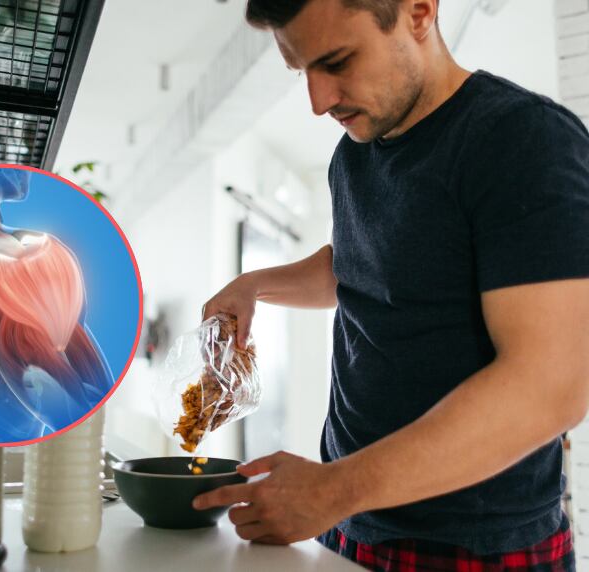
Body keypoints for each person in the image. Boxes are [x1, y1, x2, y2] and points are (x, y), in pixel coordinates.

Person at [191, 1, 589, 570]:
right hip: (352, 526)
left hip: (477, 548)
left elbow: (550, 387)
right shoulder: (352, 158)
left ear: (420, 12)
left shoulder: (522, 140)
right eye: (302, 72)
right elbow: (361, 265)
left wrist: (330, 490)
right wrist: (254, 285)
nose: (318, 101)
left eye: (337, 61)